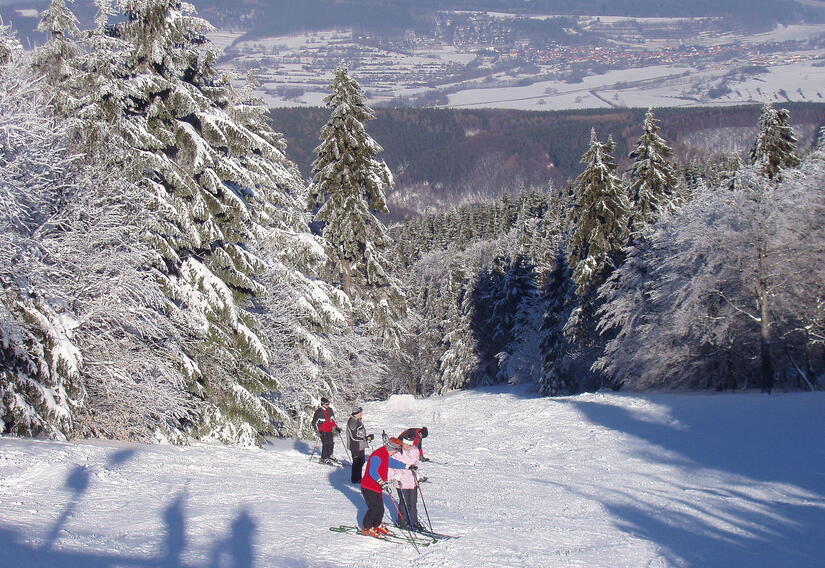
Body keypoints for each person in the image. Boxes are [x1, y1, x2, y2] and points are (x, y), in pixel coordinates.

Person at [360, 437, 415, 537]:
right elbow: (373, 472)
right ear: (391, 448)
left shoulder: (385, 454)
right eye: (395, 451)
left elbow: (392, 462)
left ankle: (376, 525)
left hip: (377, 487)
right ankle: (366, 528)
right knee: (373, 508)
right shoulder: (377, 455)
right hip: (369, 487)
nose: (395, 453)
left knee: (380, 509)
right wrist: (382, 482)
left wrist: (407, 466)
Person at [389, 432, 424, 531]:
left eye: (410, 444)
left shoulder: (414, 450)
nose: (408, 446)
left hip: (412, 479)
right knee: (404, 501)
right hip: (401, 479)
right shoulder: (397, 452)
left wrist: (417, 475)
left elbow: (415, 463)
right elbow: (394, 464)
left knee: (412, 502)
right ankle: (402, 522)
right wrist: (397, 475)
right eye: (406, 444)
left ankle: (414, 521)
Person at [346, 407, 373, 483]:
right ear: (356, 414)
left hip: (360, 445)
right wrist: (366, 438)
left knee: (361, 461)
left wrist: (366, 437)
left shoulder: (357, 420)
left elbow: (359, 433)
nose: (362, 414)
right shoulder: (353, 422)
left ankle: (358, 478)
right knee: (357, 462)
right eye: (360, 413)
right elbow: (353, 437)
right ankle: (355, 479)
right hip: (355, 446)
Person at [312, 397, 339, 464]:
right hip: (322, 431)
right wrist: (317, 431)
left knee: (331, 443)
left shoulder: (330, 410)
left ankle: (330, 455)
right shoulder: (318, 412)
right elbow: (314, 422)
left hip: (329, 430)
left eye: (328, 404)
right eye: (326, 404)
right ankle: (324, 458)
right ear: (322, 404)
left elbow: (332, 419)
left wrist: (336, 427)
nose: (327, 405)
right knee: (325, 444)